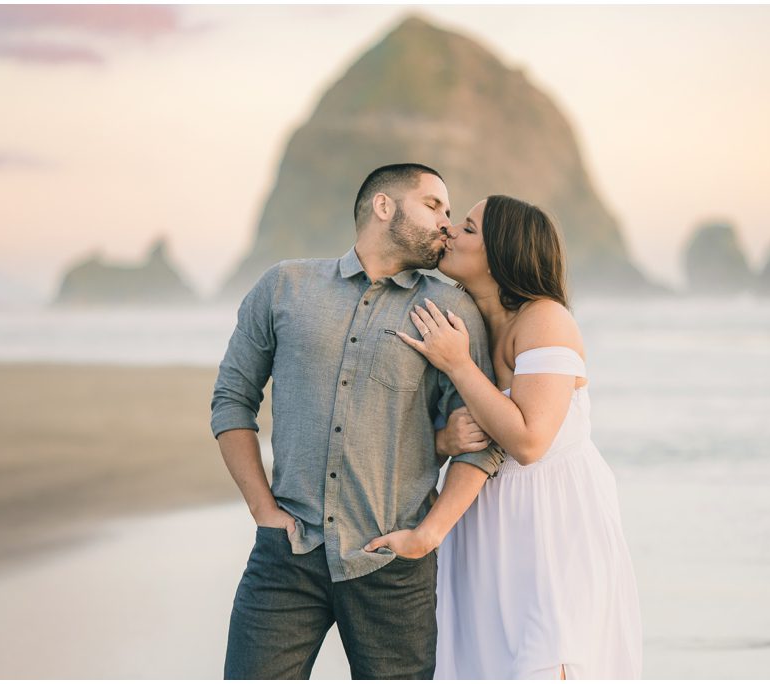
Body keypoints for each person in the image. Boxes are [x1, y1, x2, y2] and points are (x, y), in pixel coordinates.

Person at [210, 163, 505, 679]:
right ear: (383, 206)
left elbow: (483, 439)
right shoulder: (285, 288)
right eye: (434, 206)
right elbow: (232, 399)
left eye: (452, 214)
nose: (446, 223)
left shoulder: (449, 307)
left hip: (393, 565)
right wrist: (263, 511)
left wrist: (428, 536)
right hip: (288, 553)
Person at [367, 195, 643, 679]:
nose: (450, 230)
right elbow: (432, 428)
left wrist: (456, 363)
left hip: (552, 528)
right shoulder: (467, 320)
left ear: (503, 253)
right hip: (483, 526)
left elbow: (529, 442)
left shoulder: (545, 319)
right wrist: (444, 440)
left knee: (546, 661)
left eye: (468, 228)